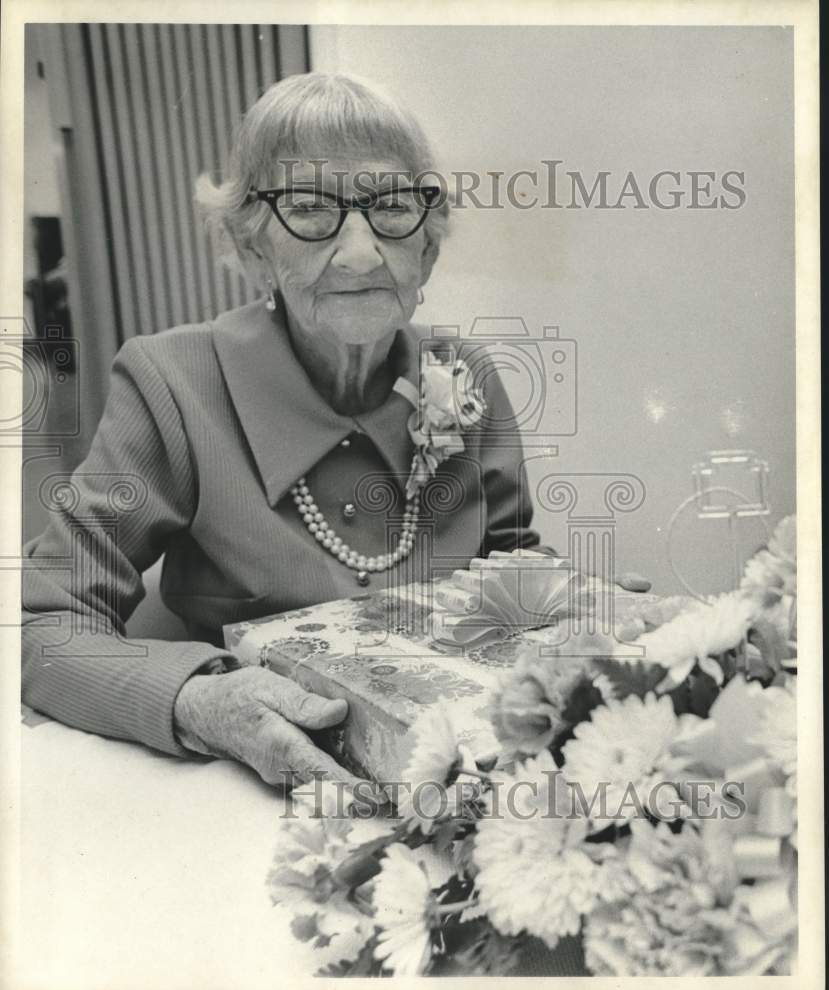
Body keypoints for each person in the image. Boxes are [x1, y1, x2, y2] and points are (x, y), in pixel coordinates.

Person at [22, 72, 645, 792]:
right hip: (252, 794)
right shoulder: (173, 380)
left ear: (428, 250)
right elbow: (41, 623)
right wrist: (198, 701)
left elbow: (501, 565)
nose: (358, 253)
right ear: (251, 249)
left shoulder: (465, 372)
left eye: (390, 208)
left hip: (453, 780)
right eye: (310, 209)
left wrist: (574, 602)